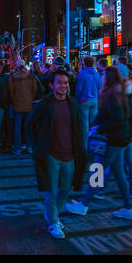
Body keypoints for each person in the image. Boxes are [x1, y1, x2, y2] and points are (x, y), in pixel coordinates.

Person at [28, 69, 88, 239]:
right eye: (60, 83)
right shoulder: (45, 104)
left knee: (65, 190)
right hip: (50, 155)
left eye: (66, 83)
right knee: (51, 191)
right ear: (51, 85)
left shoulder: (73, 103)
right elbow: (30, 125)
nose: (63, 86)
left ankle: (50, 214)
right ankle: (53, 221)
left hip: (70, 155)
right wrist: (36, 146)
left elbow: (79, 127)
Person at [77, 67, 132, 221]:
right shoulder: (119, 91)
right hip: (120, 138)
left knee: (98, 171)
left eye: (103, 74)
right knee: (119, 174)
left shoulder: (112, 93)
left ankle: (84, 204)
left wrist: (99, 128)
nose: (101, 77)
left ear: (108, 77)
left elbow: (117, 119)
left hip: (114, 139)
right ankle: (128, 208)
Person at [8, 60, 39, 153]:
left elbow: (10, 91)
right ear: (25, 66)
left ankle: (17, 147)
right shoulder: (31, 77)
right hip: (28, 104)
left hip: (17, 104)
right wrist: (30, 98)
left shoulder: (13, 77)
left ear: (17, 66)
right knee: (28, 126)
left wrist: (14, 100)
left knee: (17, 127)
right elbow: (34, 90)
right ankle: (29, 146)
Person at [74, 56, 100, 146]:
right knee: (93, 125)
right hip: (95, 100)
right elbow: (99, 88)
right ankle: (93, 145)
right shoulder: (96, 74)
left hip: (84, 100)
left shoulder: (82, 74)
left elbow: (79, 89)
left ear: (84, 63)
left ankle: (84, 147)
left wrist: (77, 100)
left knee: (84, 126)